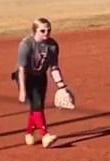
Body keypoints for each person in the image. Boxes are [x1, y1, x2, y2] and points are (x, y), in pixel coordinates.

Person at [13, 17, 72, 148]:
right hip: (25, 76)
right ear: (35, 31)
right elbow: (21, 69)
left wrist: (61, 85)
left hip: (40, 75)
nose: (46, 33)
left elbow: (54, 67)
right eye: (42, 30)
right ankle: (45, 135)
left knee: (37, 106)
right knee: (37, 104)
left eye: (49, 30)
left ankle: (29, 133)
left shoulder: (52, 46)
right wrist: (22, 90)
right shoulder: (26, 45)